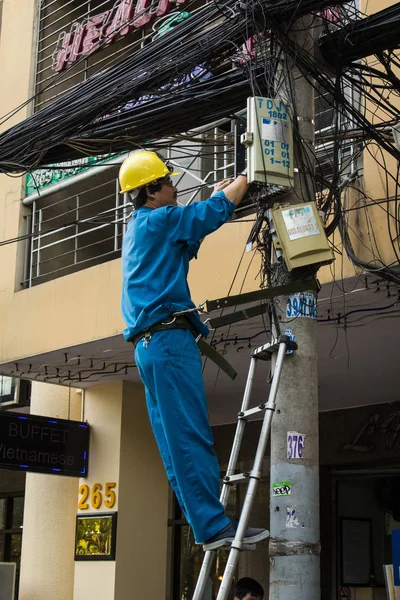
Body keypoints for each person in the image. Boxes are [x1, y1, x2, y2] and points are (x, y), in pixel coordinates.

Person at [120, 150, 268, 550]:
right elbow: (209, 214)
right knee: (190, 435)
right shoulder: (163, 220)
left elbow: (189, 232)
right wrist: (248, 173)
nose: (174, 187)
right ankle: (213, 526)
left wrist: (214, 200)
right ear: (151, 191)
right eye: (168, 182)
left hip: (149, 345)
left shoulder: (139, 227)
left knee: (174, 441)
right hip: (168, 341)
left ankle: (206, 526)